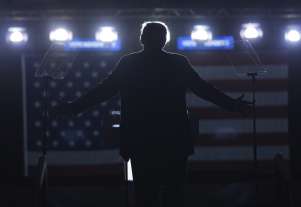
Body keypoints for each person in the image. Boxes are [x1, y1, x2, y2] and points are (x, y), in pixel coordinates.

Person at [55, 22, 251, 207]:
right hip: (174, 141)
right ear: (165, 40)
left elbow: (103, 91)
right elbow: (203, 89)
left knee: (144, 195)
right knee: (174, 195)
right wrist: (232, 104)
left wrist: (74, 107)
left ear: (142, 39)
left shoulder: (129, 63)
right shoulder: (177, 62)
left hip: (141, 141)